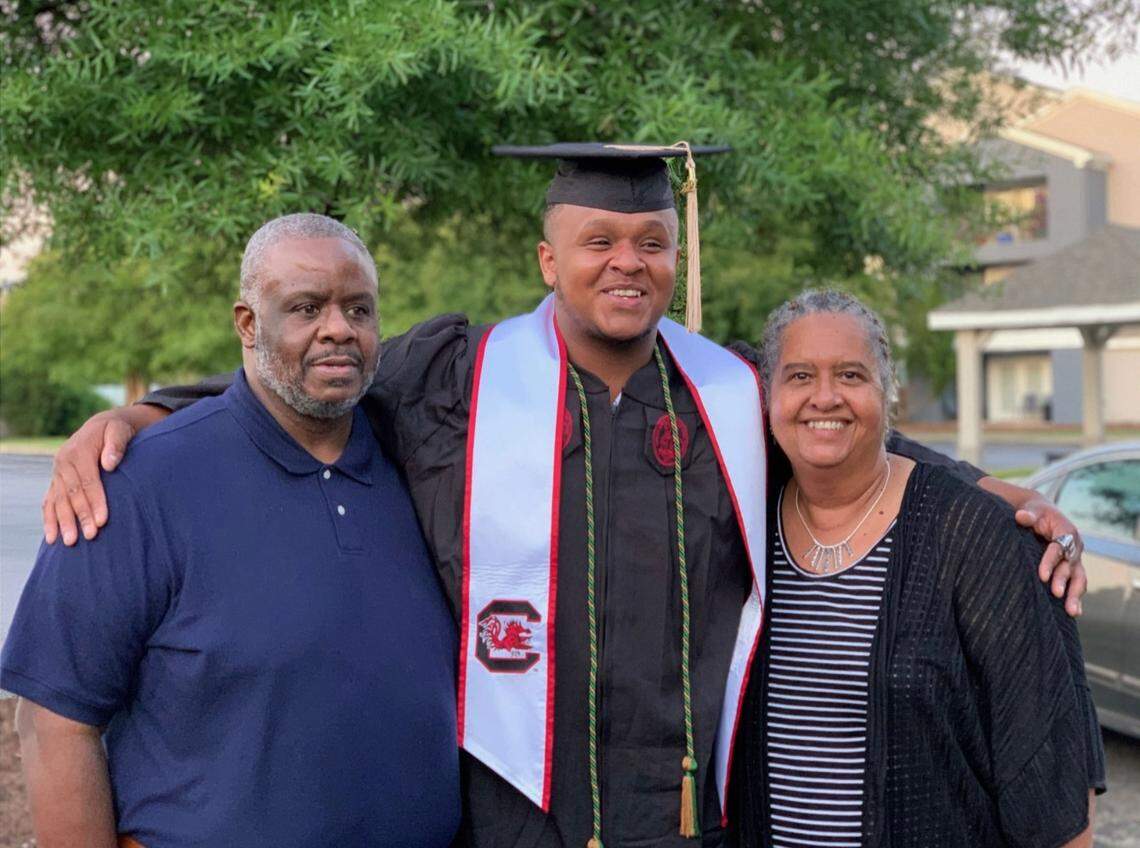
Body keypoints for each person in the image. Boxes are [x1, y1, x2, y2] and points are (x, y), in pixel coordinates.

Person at [38, 145, 1089, 848]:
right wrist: (140, 416)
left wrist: (994, 490)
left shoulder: (727, 392)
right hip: (508, 806)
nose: (627, 261)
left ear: (676, 257)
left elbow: (842, 429)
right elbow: (311, 373)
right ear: (550, 256)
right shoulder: (457, 375)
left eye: (651, 242)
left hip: (686, 809)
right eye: (599, 241)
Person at [1, 214, 460, 848]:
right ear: (247, 324)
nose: (339, 329)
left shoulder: (420, 469)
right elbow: (54, 719)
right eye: (306, 307)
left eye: (360, 309)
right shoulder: (137, 484)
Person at [732, 290, 1105, 848]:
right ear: (767, 398)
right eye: (800, 376)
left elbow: (1049, 787)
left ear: (887, 392)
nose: (825, 397)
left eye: (852, 375)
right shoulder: (743, 528)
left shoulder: (974, 538)